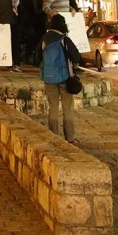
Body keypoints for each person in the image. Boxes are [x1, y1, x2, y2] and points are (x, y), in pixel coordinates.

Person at [38, 13, 82, 144]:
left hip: (49, 78)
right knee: (67, 108)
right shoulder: (64, 39)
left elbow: (36, 59)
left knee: (53, 108)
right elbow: (76, 57)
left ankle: (53, 136)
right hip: (64, 78)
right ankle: (70, 138)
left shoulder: (44, 39)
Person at [17, 0, 39, 65]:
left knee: (20, 41)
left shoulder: (19, 0)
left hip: (20, 23)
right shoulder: (32, 1)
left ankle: (20, 56)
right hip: (29, 23)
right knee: (31, 41)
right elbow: (35, 12)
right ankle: (28, 57)